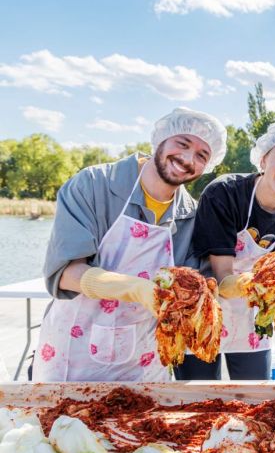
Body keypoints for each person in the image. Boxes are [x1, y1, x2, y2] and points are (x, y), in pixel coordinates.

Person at [33, 107, 227, 382]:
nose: (187, 159)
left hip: (143, 363)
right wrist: (137, 290)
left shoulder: (192, 216)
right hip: (73, 356)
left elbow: (197, 287)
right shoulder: (94, 184)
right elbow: (65, 273)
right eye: (182, 144)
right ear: (161, 139)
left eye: (201, 155)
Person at [176, 121, 275, 380]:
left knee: (253, 397)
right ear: (263, 159)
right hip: (204, 306)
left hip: (253, 314)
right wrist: (254, 284)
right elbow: (222, 275)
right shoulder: (225, 193)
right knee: (199, 398)